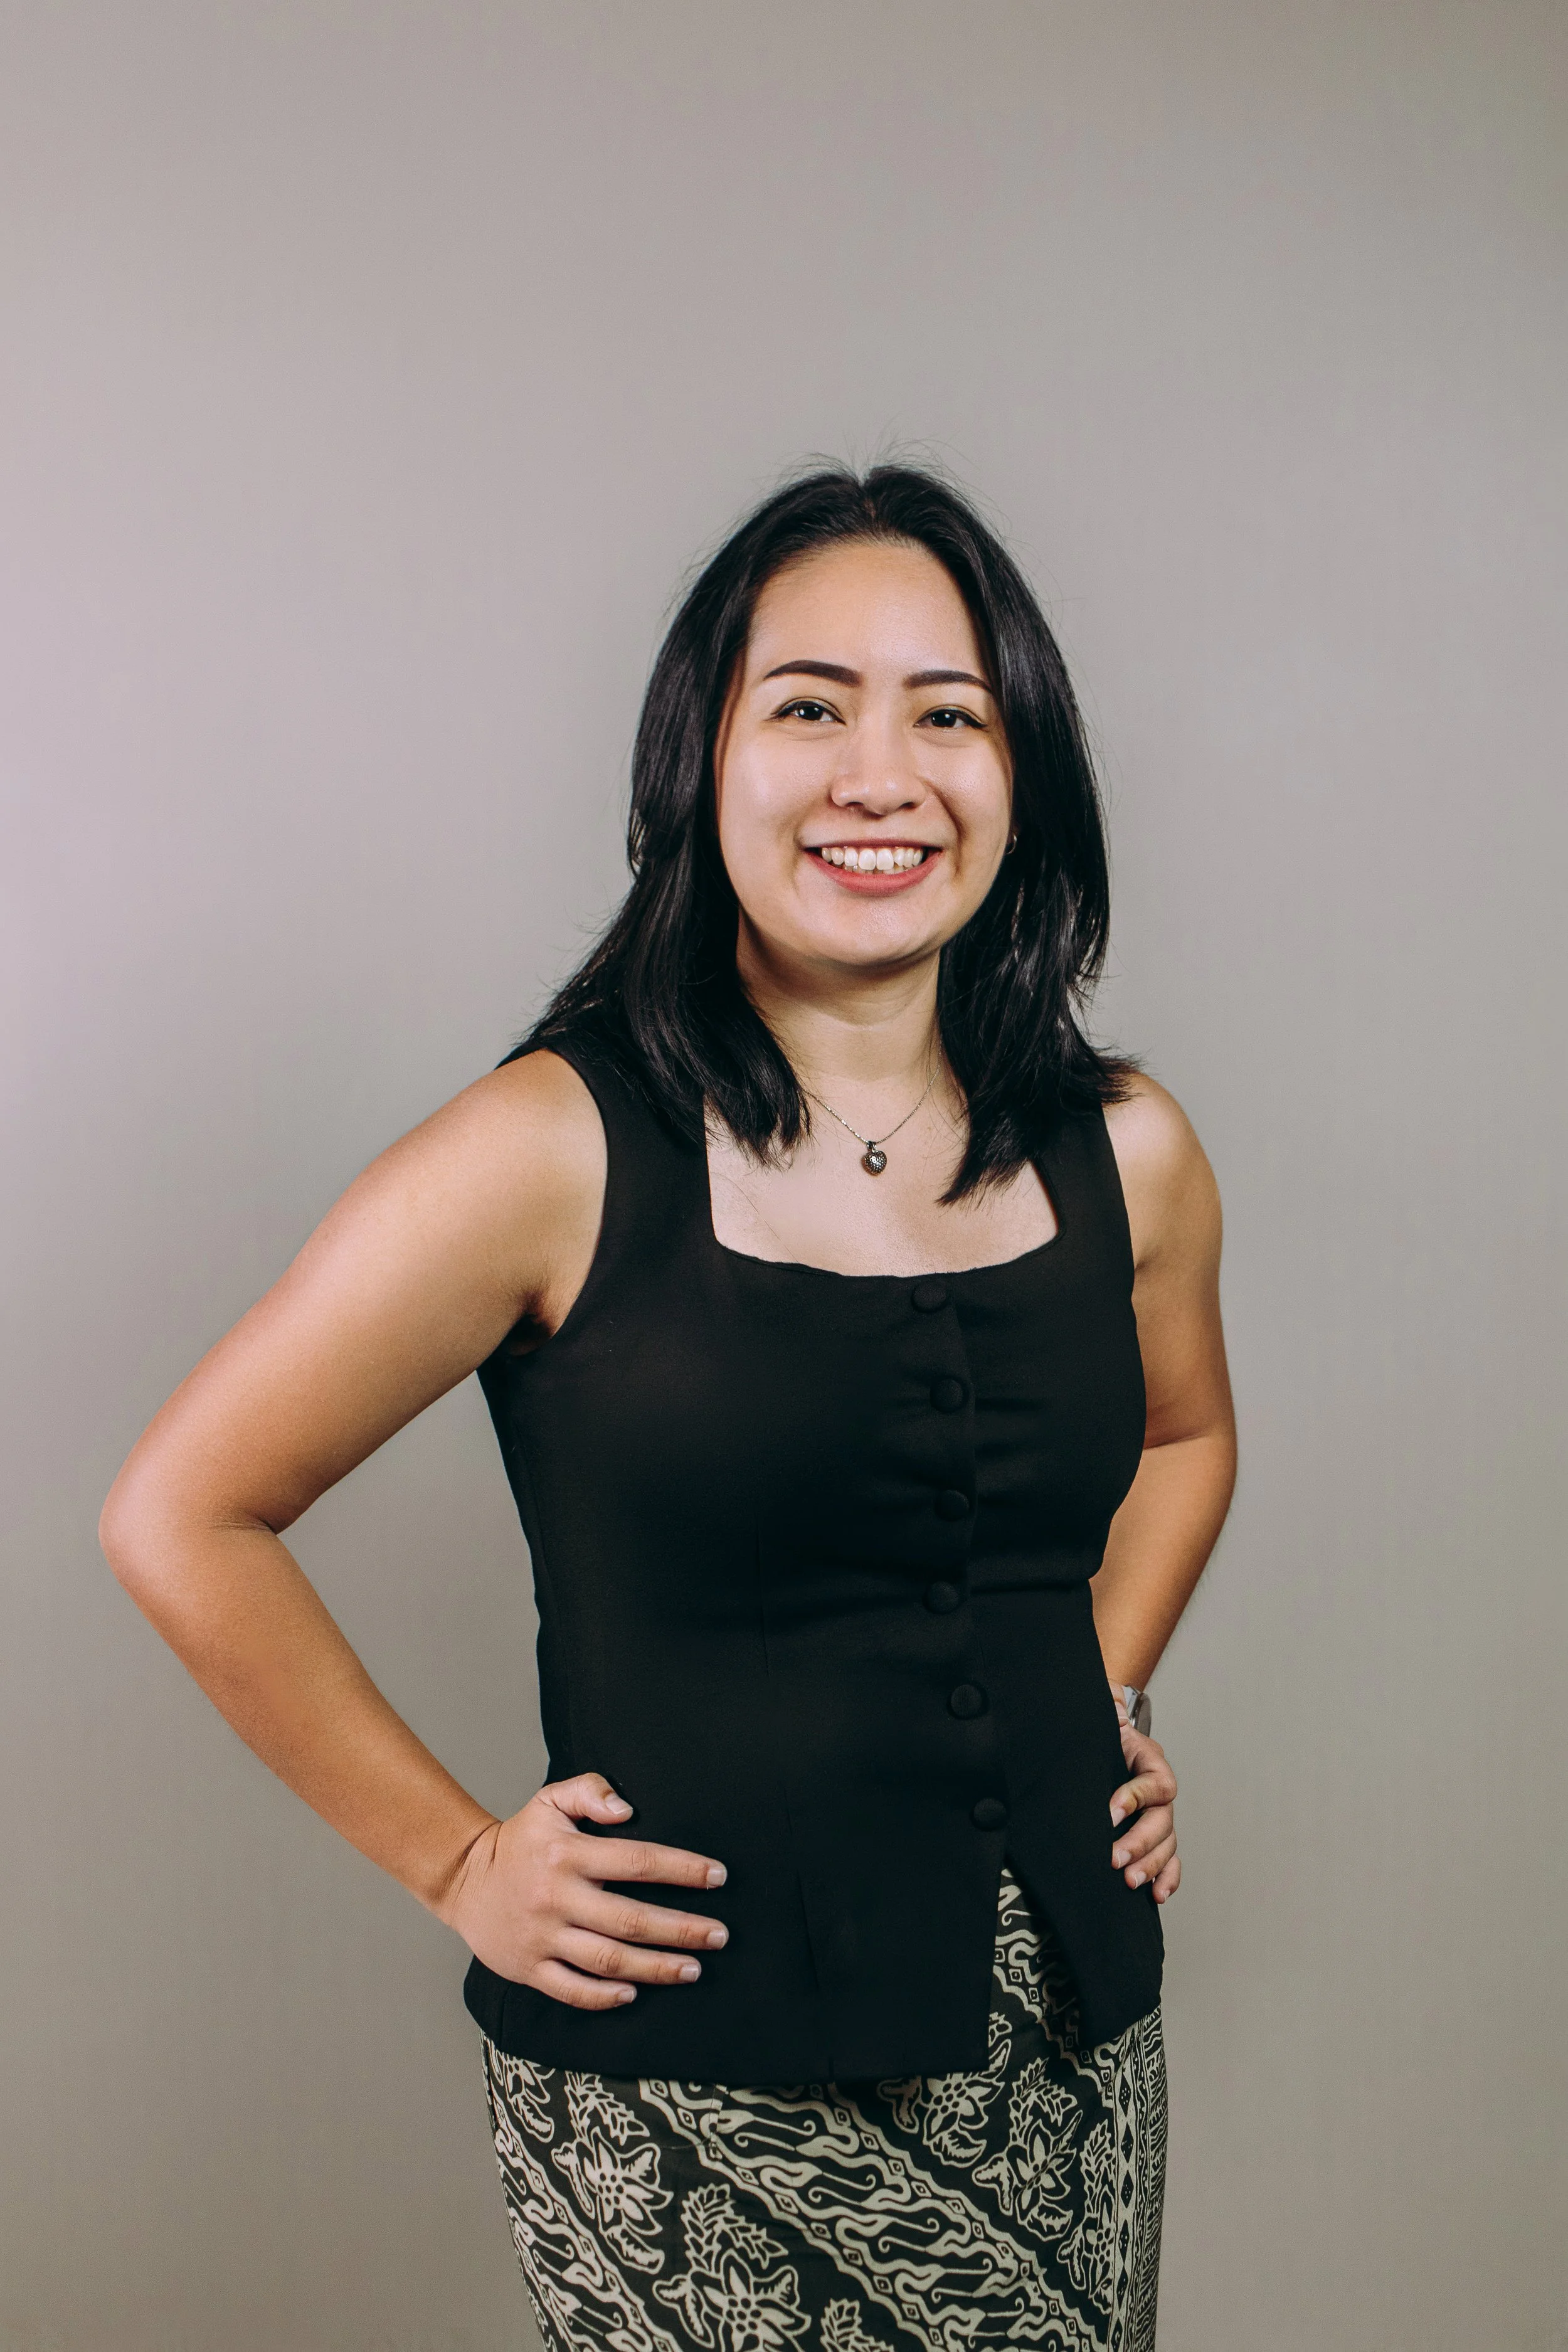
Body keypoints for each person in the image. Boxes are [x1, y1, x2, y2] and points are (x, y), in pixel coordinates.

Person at [101, 463, 1236, 2352]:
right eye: (808, 706)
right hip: (693, 2088)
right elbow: (181, 1510)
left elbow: (1186, 1437)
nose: (883, 773)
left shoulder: (1129, 1147)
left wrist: (1095, 1686)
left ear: (1020, 766)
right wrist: (460, 1857)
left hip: (1059, 2049)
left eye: (946, 714)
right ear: (696, 761)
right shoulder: (545, 1147)